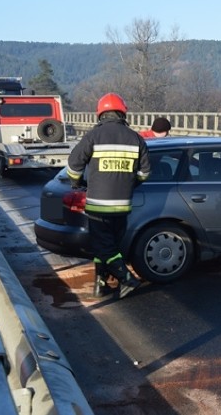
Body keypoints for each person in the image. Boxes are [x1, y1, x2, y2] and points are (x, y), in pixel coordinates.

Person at [67, 93, 151, 298]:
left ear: (100, 114)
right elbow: (145, 173)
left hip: (98, 205)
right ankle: (100, 285)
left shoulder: (93, 136)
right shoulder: (135, 138)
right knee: (109, 245)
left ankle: (127, 279)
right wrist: (131, 183)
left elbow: (72, 166)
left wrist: (77, 183)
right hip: (123, 206)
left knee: (102, 246)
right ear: (122, 112)